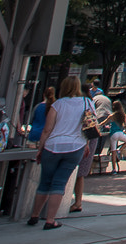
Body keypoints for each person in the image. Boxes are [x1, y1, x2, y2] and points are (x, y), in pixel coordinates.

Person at [29, 73, 91, 229]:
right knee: (59, 183)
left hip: (53, 146)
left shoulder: (57, 104)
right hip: (75, 146)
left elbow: (47, 130)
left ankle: (34, 215)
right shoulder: (87, 103)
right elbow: (90, 126)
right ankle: (50, 219)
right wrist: (87, 144)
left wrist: (40, 148)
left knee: (45, 182)